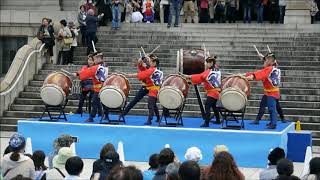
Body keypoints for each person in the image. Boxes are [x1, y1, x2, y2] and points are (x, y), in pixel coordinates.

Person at [181, 56, 221, 127]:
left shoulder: (209, 72)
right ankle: (217, 120)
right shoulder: (216, 70)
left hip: (212, 92)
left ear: (212, 63)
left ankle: (207, 122)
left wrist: (188, 76)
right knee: (214, 106)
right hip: (215, 92)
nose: (206, 64)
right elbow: (202, 76)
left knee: (207, 106)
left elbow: (201, 76)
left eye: (208, 63)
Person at [246, 52, 281, 129]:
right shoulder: (274, 68)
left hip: (271, 92)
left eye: (267, 60)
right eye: (266, 60)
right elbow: (262, 72)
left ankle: (273, 123)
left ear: (271, 62)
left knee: (272, 108)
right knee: (263, 105)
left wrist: (251, 76)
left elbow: (260, 73)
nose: (265, 61)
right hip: (270, 92)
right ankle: (258, 120)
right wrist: (247, 74)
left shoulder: (269, 69)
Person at [125, 54, 163, 125]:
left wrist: (128, 75)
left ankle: (151, 119)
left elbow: (142, 74)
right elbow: (140, 66)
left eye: (150, 61)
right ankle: (123, 114)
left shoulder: (152, 69)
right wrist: (142, 60)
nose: (149, 61)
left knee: (151, 104)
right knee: (140, 100)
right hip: (147, 86)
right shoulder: (151, 68)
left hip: (153, 88)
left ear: (154, 62)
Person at [76, 52, 108, 122]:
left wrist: (77, 74)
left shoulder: (96, 67)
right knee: (101, 101)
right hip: (103, 86)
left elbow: (87, 72)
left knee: (94, 101)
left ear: (99, 59)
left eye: (95, 59)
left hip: (98, 87)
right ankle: (105, 115)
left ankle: (91, 117)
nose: (94, 61)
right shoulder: (105, 65)